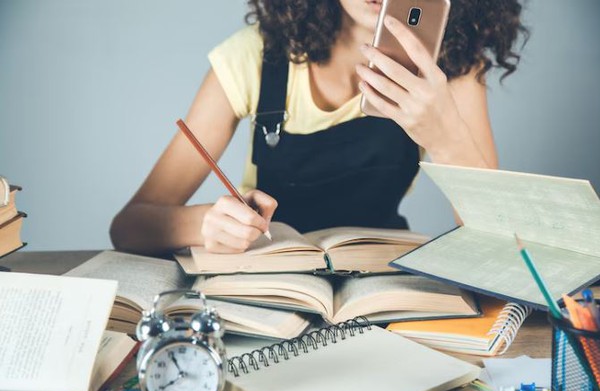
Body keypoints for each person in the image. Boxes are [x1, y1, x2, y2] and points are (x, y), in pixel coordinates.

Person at [110, 0, 527, 256]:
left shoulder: (453, 71)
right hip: (269, 287)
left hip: (384, 288)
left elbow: (504, 249)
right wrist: (206, 225)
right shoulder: (252, 57)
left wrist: (446, 135)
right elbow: (129, 227)